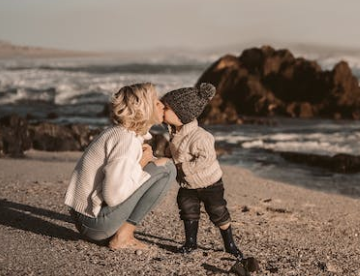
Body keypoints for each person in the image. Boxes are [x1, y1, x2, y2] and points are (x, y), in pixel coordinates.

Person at [65, 83, 176, 250]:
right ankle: (123, 236)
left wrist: (145, 163)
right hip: (95, 223)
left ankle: (120, 233)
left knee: (158, 166)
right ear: (143, 107)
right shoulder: (126, 140)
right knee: (167, 169)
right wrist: (142, 163)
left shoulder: (122, 133)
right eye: (156, 101)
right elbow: (113, 196)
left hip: (89, 218)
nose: (162, 104)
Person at [161, 83, 244, 260]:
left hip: (210, 183)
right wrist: (167, 155)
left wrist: (178, 166)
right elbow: (175, 150)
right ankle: (191, 242)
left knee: (217, 211)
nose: (162, 109)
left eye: (166, 107)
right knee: (187, 209)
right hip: (188, 184)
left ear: (181, 114)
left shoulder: (201, 136)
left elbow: (205, 159)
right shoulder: (175, 131)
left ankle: (229, 243)